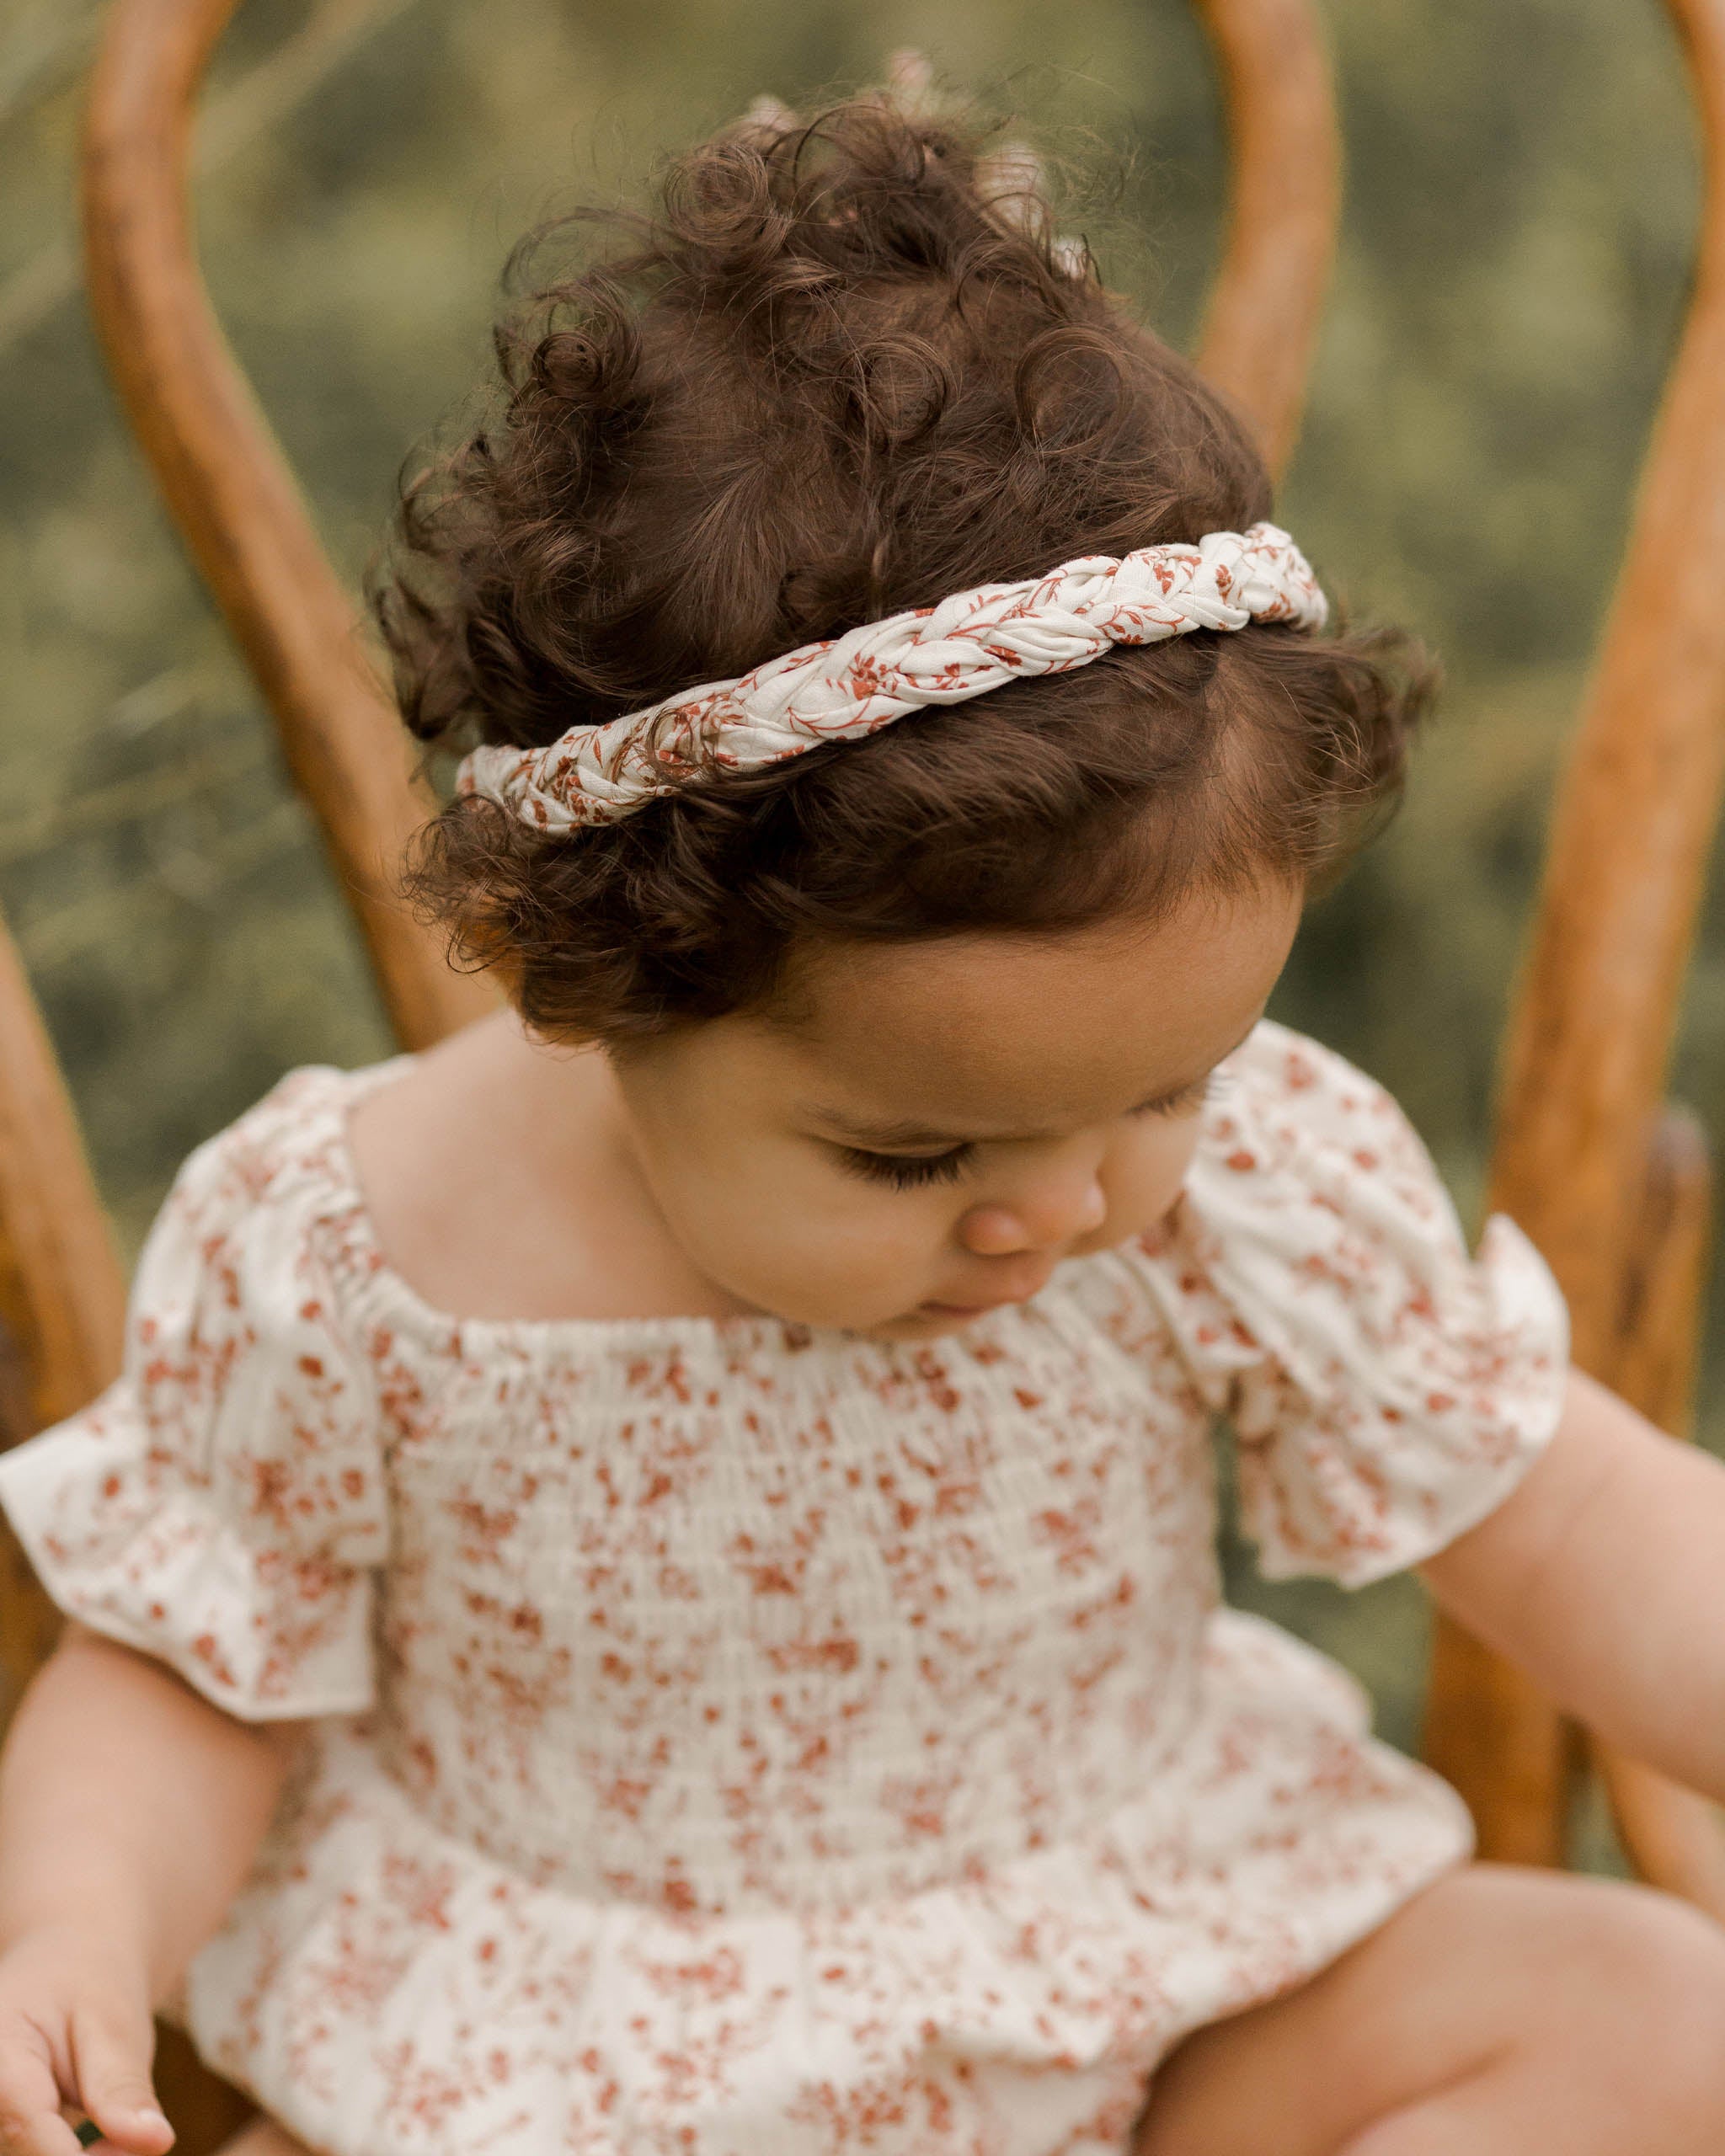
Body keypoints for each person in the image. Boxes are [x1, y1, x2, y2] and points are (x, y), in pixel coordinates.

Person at [0, 85, 1722, 2156]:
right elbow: (189, 1670)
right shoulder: (355, 1254)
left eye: (1164, 1087)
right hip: (574, 2083)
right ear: (582, 977)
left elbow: (1572, 1515)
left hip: (1140, 2001)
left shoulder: (1237, 1190)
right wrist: (72, 1933)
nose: (1067, 1207)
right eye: (914, 1153)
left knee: (1654, 2016)